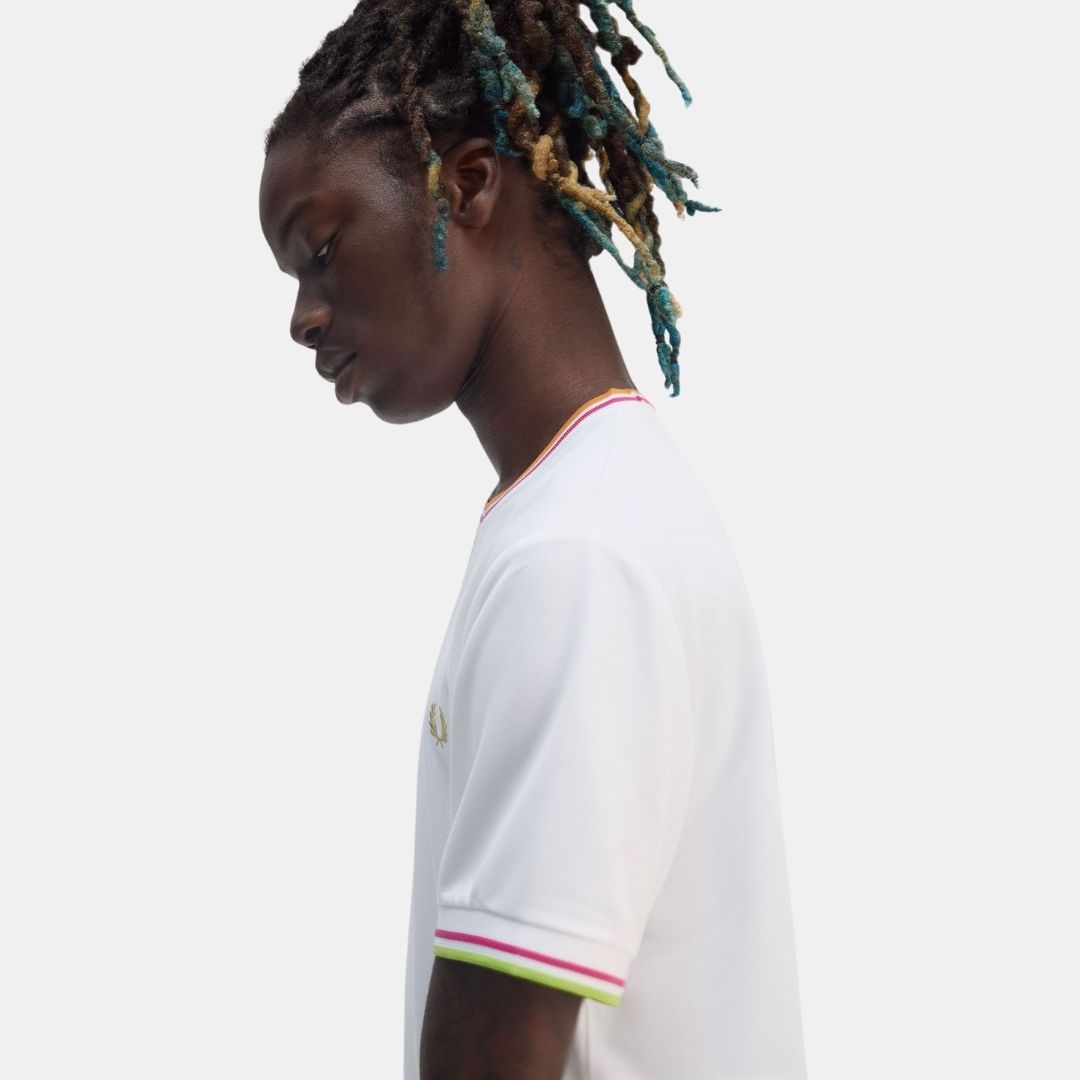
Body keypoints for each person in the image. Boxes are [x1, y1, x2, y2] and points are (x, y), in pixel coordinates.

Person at [258, 2, 808, 1077]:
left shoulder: (577, 560)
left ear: (466, 185)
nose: (303, 317)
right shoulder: (597, 506)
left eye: (320, 251)